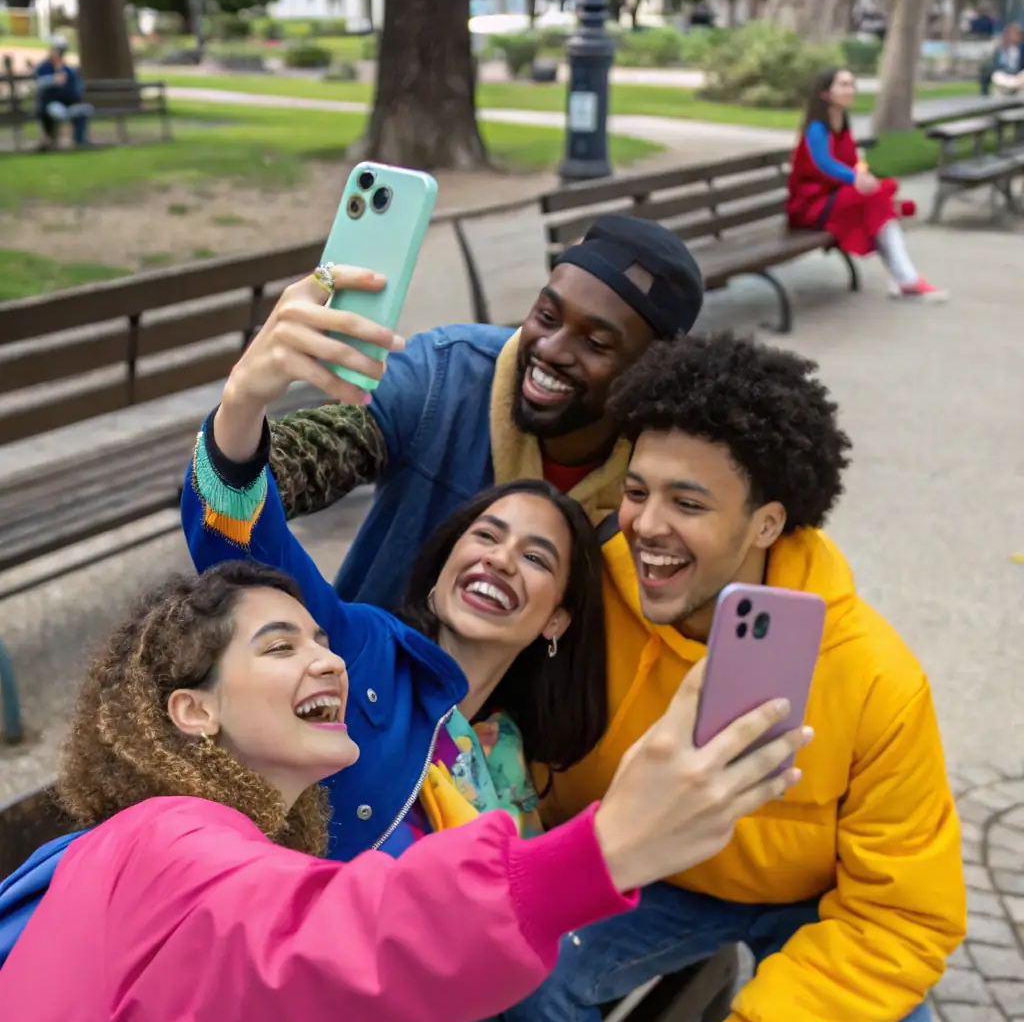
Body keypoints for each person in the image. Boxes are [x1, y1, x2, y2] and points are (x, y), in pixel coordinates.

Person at [0, 559, 810, 1022]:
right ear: (192, 710)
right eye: (281, 645)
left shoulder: (183, 856)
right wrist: (600, 851)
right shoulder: (159, 846)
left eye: (323, 640)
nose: (329, 661)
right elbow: (336, 936)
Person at [503, 334, 967, 1022]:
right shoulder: (591, 595)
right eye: (637, 491)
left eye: (688, 502)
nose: (644, 525)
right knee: (534, 957)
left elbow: (908, 917)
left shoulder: (873, 677)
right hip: (659, 879)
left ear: (766, 523)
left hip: (823, 905)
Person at [185, 273, 607, 852]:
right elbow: (239, 548)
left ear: (557, 618)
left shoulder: (504, 753)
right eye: (486, 535)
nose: (502, 559)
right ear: (442, 570)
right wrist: (244, 401)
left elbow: (525, 914)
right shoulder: (355, 652)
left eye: (536, 556)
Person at [239, 218, 704, 609]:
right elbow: (285, 470)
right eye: (546, 315)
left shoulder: (657, 482)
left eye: (595, 343)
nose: (550, 348)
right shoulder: (442, 377)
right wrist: (242, 409)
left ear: (648, 372)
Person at [786, 66, 946, 302]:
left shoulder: (843, 123)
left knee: (881, 192)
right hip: (811, 205)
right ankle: (907, 279)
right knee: (878, 200)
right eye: (843, 85)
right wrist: (856, 179)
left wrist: (863, 174)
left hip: (836, 197)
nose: (850, 90)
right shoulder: (817, 128)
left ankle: (906, 277)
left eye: (851, 84)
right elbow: (824, 163)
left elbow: (851, 161)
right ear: (825, 93)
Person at [33, 36, 93, 149]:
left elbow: (76, 87)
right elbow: (39, 84)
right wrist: (53, 80)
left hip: (69, 104)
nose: (58, 53)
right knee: (57, 112)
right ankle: (50, 141)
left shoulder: (68, 69)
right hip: (50, 104)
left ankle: (79, 142)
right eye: (57, 50)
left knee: (85, 110)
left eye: (61, 50)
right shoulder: (44, 67)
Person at [984, 22, 1024, 95]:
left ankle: (1013, 86)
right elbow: (996, 64)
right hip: (1005, 75)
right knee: (996, 75)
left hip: (1018, 76)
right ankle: (1012, 87)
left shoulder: (1021, 49)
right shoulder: (1000, 49)